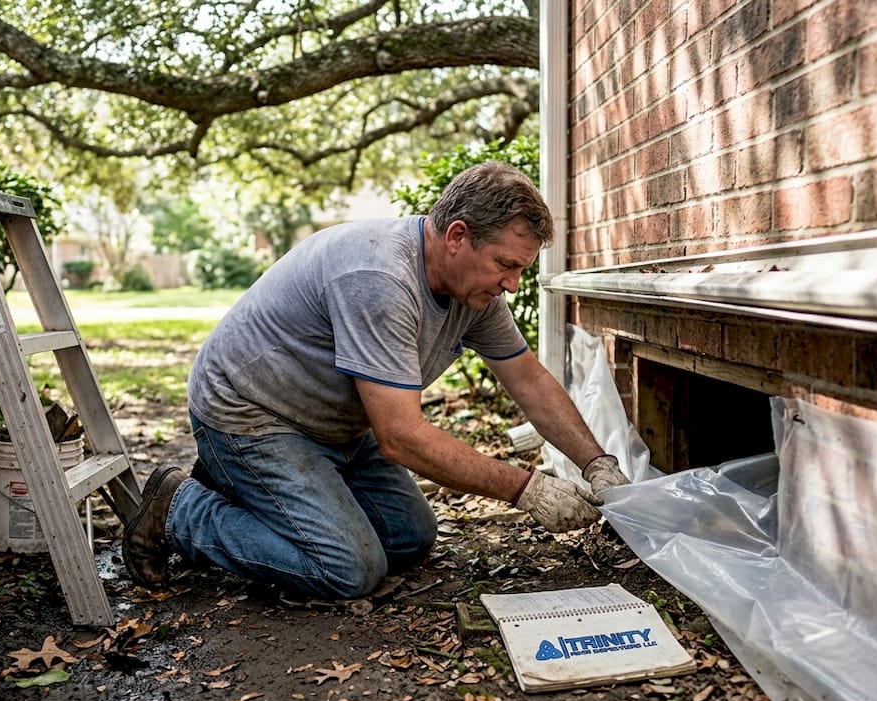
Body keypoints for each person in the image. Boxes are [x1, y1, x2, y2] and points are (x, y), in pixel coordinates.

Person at [123, 161, 629, 599]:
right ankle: (179, 510)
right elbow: (401, 436)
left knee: (410, 537)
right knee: (347, 569)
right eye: (505, 264)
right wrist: (528, 490)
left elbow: (530, 381)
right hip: (250, 414)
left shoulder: (474, 293)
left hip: (333, 425)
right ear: (457, 236)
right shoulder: (381, 277)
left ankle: (258, 500)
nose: (512, 284)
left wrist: (596, 461)